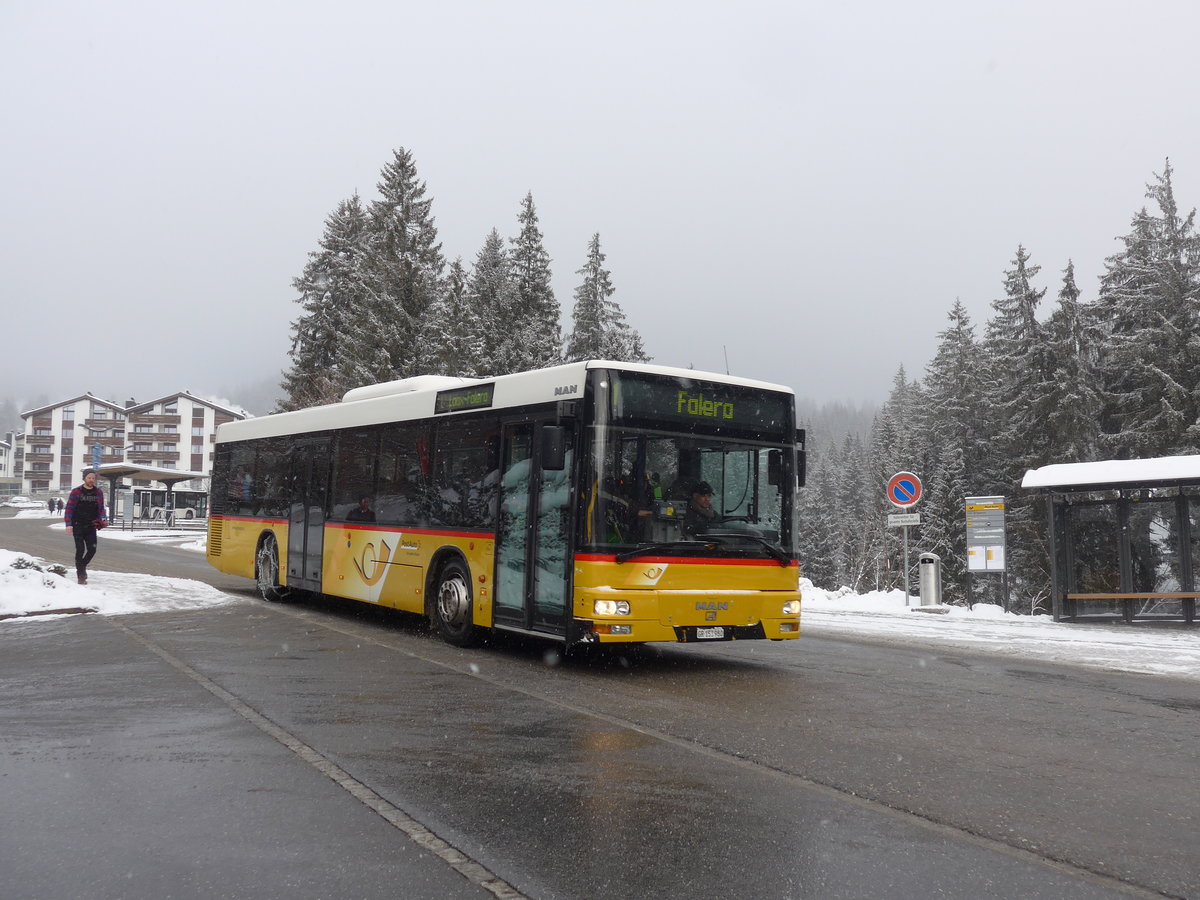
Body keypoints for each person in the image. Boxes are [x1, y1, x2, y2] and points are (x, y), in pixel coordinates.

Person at [64, 469, 108, 585]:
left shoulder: (98, 493)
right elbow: (69, 509)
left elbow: (101, 508)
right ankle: (81, 576)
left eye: (93, 478)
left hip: (91, 525)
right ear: (84, 478)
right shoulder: (76, 492)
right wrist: (68, 524)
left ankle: (82, 566)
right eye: (89, 478)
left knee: (92, 549)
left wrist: (103, 517)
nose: (91, 480)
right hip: (78, 524)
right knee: (80, 549)